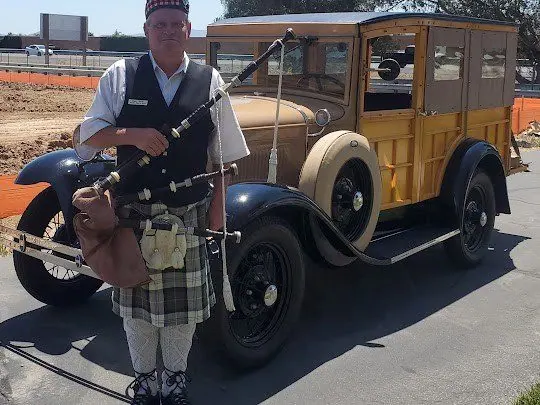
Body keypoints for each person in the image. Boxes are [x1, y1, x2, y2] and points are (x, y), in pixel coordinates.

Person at [79, 1, 250, 404]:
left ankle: (174, 381)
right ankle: (144, 381)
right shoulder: (120, 75)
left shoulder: (210, 81)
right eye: (159, 25)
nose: (168, 31)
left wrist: (218, 208)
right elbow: (88, 137)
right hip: (131, 216)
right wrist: (132, 135)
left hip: (187, 214)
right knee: (136, 309)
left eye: (176, 24)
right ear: (146, 29)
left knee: (182, 313)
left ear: (188, 29)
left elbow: (224, 157)